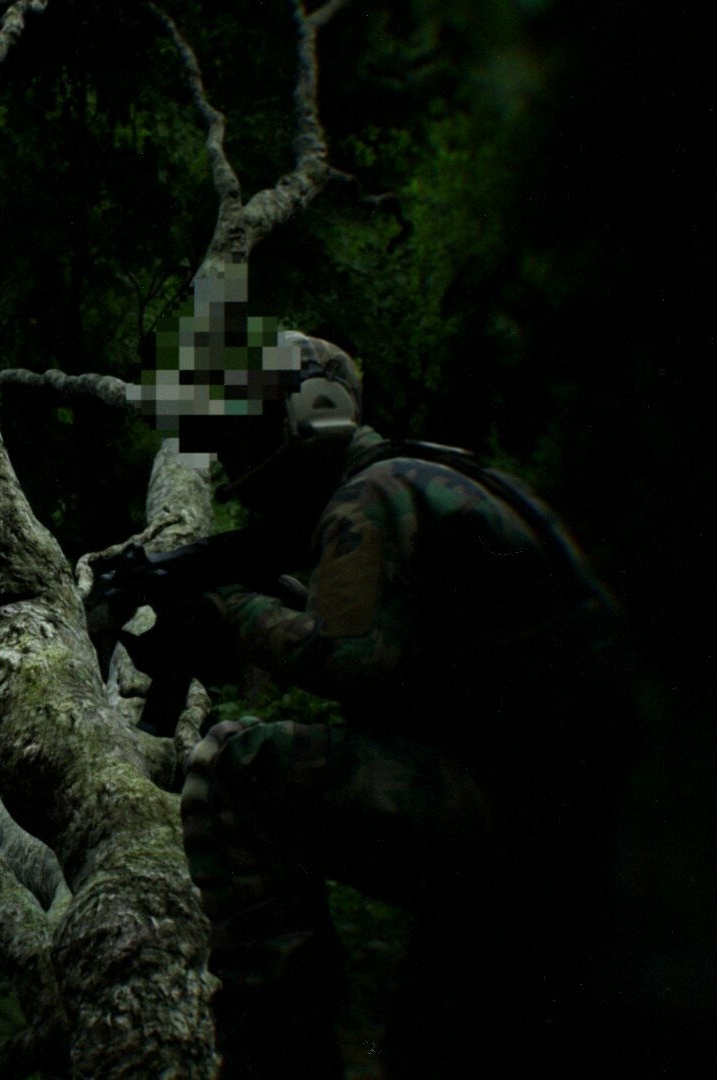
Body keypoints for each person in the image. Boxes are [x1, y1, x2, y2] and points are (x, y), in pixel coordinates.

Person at [129, 329, 631, 1078]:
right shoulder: (435, 476)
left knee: (233, 767)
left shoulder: (370, 494)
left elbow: (353, 660)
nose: (242, 463)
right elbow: (405, 653)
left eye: (249, 430)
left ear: (305, 415)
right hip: (573, 824)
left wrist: (228, 608)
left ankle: (273, 1046)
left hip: (513, 814)